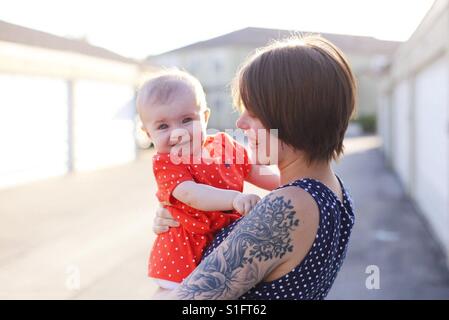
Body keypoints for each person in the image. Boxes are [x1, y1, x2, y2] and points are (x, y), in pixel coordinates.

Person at [151, 35, 357, 300]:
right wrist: (185, 219)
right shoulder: (334, 191)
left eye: (254, 112)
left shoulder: (288, 207)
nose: (240, 124)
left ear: (291, 114)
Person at [137, 69, 280, 290]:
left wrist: (285, 184)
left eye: (186, 120)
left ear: (204, 117)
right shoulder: (166, 162)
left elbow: (253, 170)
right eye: (163, 126)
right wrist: (234, 199)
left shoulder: (224, 145)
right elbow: (191, 194)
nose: (177, 133)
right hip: (183, 256)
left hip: (222, 248)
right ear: (148, 133)